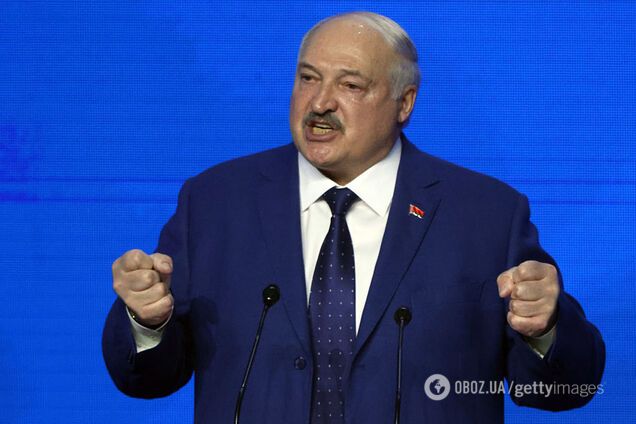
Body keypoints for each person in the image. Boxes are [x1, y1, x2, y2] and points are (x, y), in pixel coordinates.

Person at [102, 11, 605, 423]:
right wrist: (147, 322)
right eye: (308, 78)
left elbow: (564, 389)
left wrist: (544, 330)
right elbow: (147, 379)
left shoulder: (486, 214)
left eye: (350, 85)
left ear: (404, 103)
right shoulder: (215, 202)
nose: (320, 103)